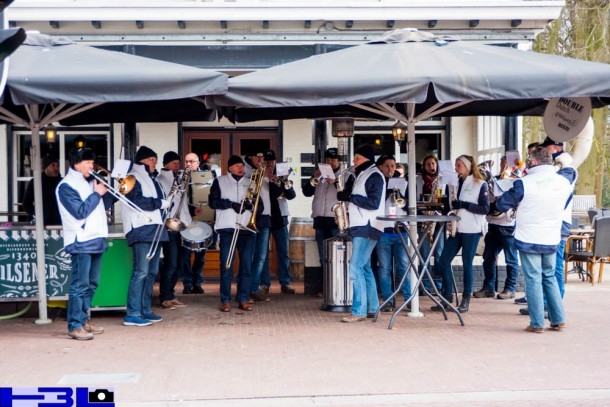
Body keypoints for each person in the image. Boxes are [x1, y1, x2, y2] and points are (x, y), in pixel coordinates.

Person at [495, 147, 571, 333]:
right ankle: (558, 318)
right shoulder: (563, 182)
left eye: (529, 160)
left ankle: (537, 323)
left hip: (529, 237)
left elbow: (502, 204)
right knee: (549, 276)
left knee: (533, 278)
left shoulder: (524, 183)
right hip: (551, 236)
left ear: (535, 162)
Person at [56, 148, 113, 340]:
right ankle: (74, 325)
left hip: (96, 237)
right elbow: (80, 212)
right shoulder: (66, 186)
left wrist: (107, 191)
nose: (92, 166)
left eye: (92, 162)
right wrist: (96, 194)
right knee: (80, 285)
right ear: (76, 164)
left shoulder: (89, 182)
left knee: (92, 283)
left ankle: (83, 320)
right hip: (80, 240)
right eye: (88, 162)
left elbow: (102, 206)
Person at [432, 155, 489, 313]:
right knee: (443, 261)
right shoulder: (454, 183)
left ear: (468, 166)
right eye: (456, 165)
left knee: (467, 263)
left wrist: (464, 205)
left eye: (459, 165)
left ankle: (466, 299)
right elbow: (450, 204)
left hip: (472, 229)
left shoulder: (480, 184)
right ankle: (447, 296)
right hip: (456, 228)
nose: (456, 168)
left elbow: (485, 208)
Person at [122, 146, 171, 327]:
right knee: (141, 272)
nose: (154, 163)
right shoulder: (133, 176)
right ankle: (132, 313)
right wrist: (160, 203)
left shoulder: (152, 178)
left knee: (151, 272)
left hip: (155, 227)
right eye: (151, 159)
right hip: (140, 227)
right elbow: (137, 201)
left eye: (155, 160)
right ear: (142, 160)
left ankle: (145, 310)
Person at [336, 145, 385, 323]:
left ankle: (358, 311)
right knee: (364, 268)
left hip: (367, 226)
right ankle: (372, 309)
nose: (354, 161)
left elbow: (373, 203)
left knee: (355, 268)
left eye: (357, 158)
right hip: (363, 226)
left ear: (366, 158)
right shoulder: (363, 174)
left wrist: (350, 197)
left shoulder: (374, 175)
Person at [209, 155, 259, 312]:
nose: (240, 168)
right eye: (237, 165)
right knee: (226, 265)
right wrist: (231, 204)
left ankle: (243, 298)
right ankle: (225, 300)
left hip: (246, 229)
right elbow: (212, 202)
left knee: (246, 266)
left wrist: (251, 205)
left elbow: (260, 207)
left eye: (241, 166)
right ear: (229, 168)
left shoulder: (250, 182)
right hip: (227, 228)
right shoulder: (220, 181)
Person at [301, 147, 343, 296]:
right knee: (323, 257)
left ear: (338, 161)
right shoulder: (318, 175)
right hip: (320, 220)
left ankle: (338, 288)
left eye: (333, 159)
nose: (330, 162)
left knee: (338, 257)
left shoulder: (343, 175)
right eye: (328, 159)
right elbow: (306, 192)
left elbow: (346, 194)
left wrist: (335, 182)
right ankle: (327, 288)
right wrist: (314, 177)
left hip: (335, 221)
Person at [473, 177, 520, 300]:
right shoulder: (492, 183)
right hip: (493, 225)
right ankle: (488, 288)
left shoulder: (515, 183)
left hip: (508, 227)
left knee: (511, 259)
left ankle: (510, 289)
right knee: (488, 258)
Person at [375, 154, 410, 312]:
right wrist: (386, 194)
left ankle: (409, 299)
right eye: (387, 166)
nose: (390, 169)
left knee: (403, 266)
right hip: (383, 230)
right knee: (384, 268)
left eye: (393, 166)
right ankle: (388, 300)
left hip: (401, 229)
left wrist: (400, 195)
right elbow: (375, 205)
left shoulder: (403, 182)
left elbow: (409, 206)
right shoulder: (378, 182)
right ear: (381, 167)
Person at [260, 149, 297, 294]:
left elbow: (291, 195)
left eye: (272, 161)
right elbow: (271, 194)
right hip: (264, 218)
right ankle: (264, 283)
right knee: (263, 253)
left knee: (283, 252)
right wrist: (269, 180)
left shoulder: (281, 176)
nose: (270, 164)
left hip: (280, 218)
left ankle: (285, 282)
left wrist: (281, 182)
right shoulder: (260, 176)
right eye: (267, 161)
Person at [156, 151, 189, 310]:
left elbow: (182, 202)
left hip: (182, 225)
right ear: (165, 164)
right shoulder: (160, 180)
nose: (177, 165)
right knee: (171, 263)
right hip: (170, 227)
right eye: (174, 163)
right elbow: (163, 203)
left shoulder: (180, 179)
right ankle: (165, 296)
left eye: (178, 162)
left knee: (179, 264)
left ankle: (170, 294)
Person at [415, 155, 444, 292]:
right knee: (424, 254)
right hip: (424, 219)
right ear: (424, 166)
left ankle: (438, 285)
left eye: (433, 163)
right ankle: (425, 285)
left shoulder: (442, 179)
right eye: (428, 164)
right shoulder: (418, 180)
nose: (431, 166)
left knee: (439, 253)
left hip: (438, 220)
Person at [248, 149, 273, 302]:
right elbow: (248, 192)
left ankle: (255, 288)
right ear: (251, 158)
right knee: (249, 256)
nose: (260, 161)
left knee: (261, 257)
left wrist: (275, 180)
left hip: (265, 219)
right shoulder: (247, 173)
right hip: (250, 218)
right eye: (257, 158)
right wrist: (259, 178)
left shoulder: (267, 175)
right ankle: (248, 288)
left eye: (262, 158)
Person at [181, 152, 207, 295]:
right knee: (185, 254)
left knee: (200, 254)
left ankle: (197, 283)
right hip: (186, 220)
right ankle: (187, 283)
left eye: (191, 161)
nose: (189, 164)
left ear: (198, 163)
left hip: (201, 219)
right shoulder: (180, 177)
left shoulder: (205, 176)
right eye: (186, 161)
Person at [23, 155, 63, 226]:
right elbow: (26, 204)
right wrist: (38, 214)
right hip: (41, 225)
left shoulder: (63, 182)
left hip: (61, 224)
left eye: (57, 166)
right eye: (53, 165)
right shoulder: (35, 182)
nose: (56, 168)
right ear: (45, 167)